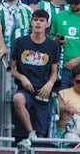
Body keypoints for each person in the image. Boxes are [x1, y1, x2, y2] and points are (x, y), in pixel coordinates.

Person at [9, 8, 61, 141]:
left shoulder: (53, 45)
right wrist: (21, 77)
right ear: (31, 22)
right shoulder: (21, 42)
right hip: (25, 89)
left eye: (41, 21)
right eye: (35, 20)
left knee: (41, 134)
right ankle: (30, 132)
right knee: (18, 99)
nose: (38, 23)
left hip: (43, 91)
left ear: (47, 24)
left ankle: (36, 140)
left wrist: (50, 84)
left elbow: (55, 72)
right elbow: (11, 68)